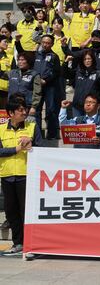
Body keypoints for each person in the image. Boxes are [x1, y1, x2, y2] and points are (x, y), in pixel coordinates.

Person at [0, 94, 41, 256]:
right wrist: (16, 149)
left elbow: (41, 149)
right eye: (20, 110)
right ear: (11, 113)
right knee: (11, 211)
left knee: (26, 211)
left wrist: (31, 144)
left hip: (26, 175)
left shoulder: (32, 127)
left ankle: (30, 244)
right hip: (7, 175)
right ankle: (18, 243)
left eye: (25, 109)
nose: (24, 112)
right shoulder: (1, 129)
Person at [31, 34, 61, 139]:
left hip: (50, 87)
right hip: (37, 87)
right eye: (43, 42)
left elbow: (56, 72)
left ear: (52, 44)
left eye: (48, 43)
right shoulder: (36, 55)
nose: (45, 45)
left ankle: (51, 134)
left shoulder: (54, 56)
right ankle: (38, 134)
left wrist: (46, 80)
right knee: (37, 110)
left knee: (51, 110)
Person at [8, 52, 41, 119]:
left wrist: (34, 107)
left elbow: (37, 92)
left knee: (28, 124)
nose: (20, 62)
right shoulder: (12, 73)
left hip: (26, 106)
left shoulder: (34, 75)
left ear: (28, 61)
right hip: (12, 105)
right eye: (19, 60)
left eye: (22, 60)